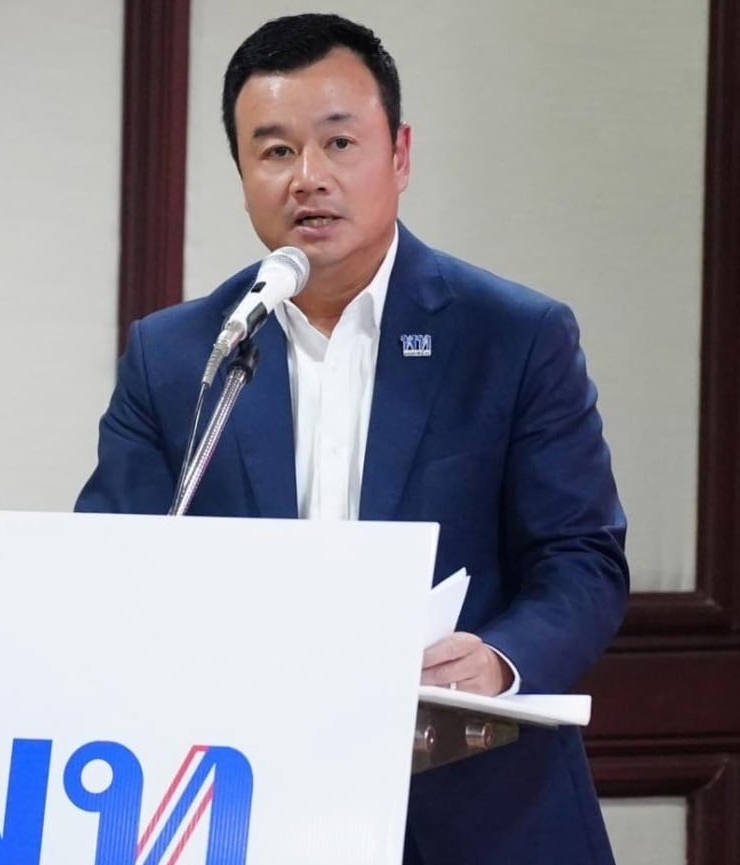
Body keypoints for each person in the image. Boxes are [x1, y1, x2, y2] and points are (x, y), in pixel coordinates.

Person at [76, 13, 628, 865]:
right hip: (248, 804)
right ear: (241, 172)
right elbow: (108, 566)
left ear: (398, 155)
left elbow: (581, 557)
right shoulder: (181, 355)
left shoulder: (513, 336)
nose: (309, 178)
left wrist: (499, 660)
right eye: (275, 151)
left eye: (339, 143)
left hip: (475, 807)